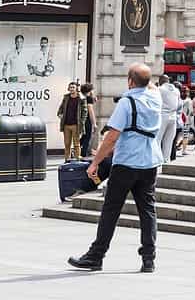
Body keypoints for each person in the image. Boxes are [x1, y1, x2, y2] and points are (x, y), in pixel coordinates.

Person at [67, 63, 163, 273]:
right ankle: (149, 259)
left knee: (111, 210)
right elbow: (152, 86)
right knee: (147, 210)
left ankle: (96, 256)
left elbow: (111, 137)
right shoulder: (156, 98)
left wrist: (95, 163)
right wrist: (145, 81)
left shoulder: (127, 102)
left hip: (127, 163)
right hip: (150, 163)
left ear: (130, 81)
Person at [57, 81, 89, 162]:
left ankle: (77, 158)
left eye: (73, 87)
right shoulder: (66, 97)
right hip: (66, 124)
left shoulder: (81, 98)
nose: (71, 89)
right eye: (70, 87)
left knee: (76, 143)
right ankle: (66, 159)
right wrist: (60, 113)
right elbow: (61, 107)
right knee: (67, 143)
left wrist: (82, 121)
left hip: (76, 124)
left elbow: (85, 111)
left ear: (76, 89)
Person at [155, 75, 179, 163]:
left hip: (163, 116)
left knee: (157, 139)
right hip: (173, 116)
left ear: (161, 81)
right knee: (168, 141)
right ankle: (166, 160)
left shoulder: (160, 89)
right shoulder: (176, 90)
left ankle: (157, 160)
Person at [79, 83, 97, 158]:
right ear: (89, 91)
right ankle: (83, 154)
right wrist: (94, 123)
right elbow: (90, 111)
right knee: (87, 137)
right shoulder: (89, 99)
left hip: (81, 120)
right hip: (87, 120)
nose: (93, 92)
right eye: (92, 90)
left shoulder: (82, 98)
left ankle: (76, 150)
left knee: (83, 136)